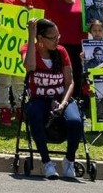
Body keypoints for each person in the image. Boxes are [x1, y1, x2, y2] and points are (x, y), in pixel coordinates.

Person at [22, 18, 83, 180]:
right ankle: (46, 162)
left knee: (75, 121)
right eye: (53, 38)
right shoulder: (29, 49)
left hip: (61, 97)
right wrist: (31, 36)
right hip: (40, 98)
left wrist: (63, 103)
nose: (57, 40)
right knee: (34, 113)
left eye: (58, 37)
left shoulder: (61, 51)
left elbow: (70, 82)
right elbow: (29, 67)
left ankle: (69, 160)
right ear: (41, 38)